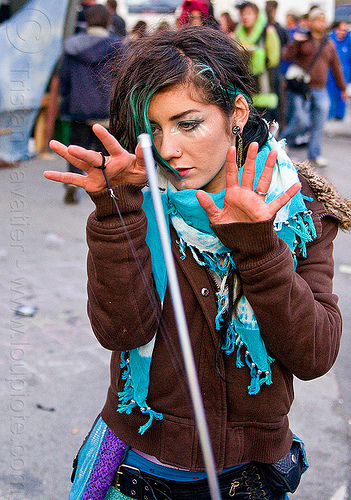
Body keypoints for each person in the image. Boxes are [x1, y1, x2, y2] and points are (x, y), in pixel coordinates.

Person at [45, 26, 345, 500]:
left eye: (188, 124)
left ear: (237, 114)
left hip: (250, 473)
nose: (168, 150)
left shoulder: (297, 210)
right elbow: (122, 332)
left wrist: (258, 249)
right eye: (155, 129)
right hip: (138, 467)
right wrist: (117, 212)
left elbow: (314, 354)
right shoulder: (141, 200)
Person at [59, 4, 122, 203]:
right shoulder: (118, 47)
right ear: (108, 21)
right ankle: (105, 191)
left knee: (78, 149)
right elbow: (123, 78)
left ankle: (72, 183)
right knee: (105, 153)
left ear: (86, 21)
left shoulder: (72, 47)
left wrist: (68, 99)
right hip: (106, 111)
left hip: (79, 108)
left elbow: (64, 79)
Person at [281, 7, 348, 168]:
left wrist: (343, 88)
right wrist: (295, 41)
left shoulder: (328, 43)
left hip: (320, 89)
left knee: (319, 123)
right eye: (317, 19)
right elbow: (286, 56)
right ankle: (282, 141)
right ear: (311, 22)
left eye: (323, 20)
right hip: (301, 88)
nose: (321, 23)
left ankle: (315, 154)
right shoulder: (303, 39)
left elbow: (336, 66)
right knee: (301, 121)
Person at [234, 1, 281, 122]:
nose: (245, 17)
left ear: (256, 15)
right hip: (244, 86)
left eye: (249, 13)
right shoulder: (237, 34)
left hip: (263, 86)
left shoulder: (267, 32)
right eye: (243, 14)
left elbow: (274, 59)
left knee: (264, 126)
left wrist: (257, 55)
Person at [327, 21, 351, 120]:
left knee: (342, 92)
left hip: (345, 72)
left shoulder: (348, 42)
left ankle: (339, 114)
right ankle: (329, 113)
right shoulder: (330, 40)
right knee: (330, 92)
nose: (342, 32)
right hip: (331, 72)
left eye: (344, 30)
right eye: (340, 30)